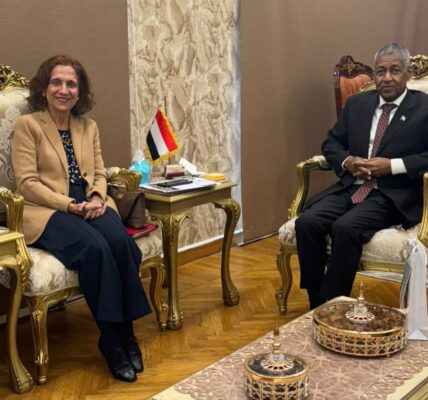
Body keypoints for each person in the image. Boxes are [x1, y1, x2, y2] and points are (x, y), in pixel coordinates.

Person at [11, 55, 151, 383]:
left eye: (71, 84)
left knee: (120, 243)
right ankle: (112, 342)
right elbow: (27, 184)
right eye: (56, 82)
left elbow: (100, 172)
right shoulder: (28, 125)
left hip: (90, 202)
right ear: (44, 89)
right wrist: (70, 205)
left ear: (79, 92)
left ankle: (127, 333)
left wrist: (98, 198)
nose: (64, 89)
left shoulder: (89, 127)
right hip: (47, 209)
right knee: (95, 249)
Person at [295, 43, 428, 309]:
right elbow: (331, 143)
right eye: (380, 71)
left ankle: (334, 305)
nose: (386, 77)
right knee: (307, 222)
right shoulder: (358, 104)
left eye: (394, 70)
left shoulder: (424, 107)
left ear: (408, 74)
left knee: (346, 228)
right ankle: (315, 303)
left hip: (392, 194)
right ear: (373, 75)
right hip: (352, 185)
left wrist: (392, 166)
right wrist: (348, 162)